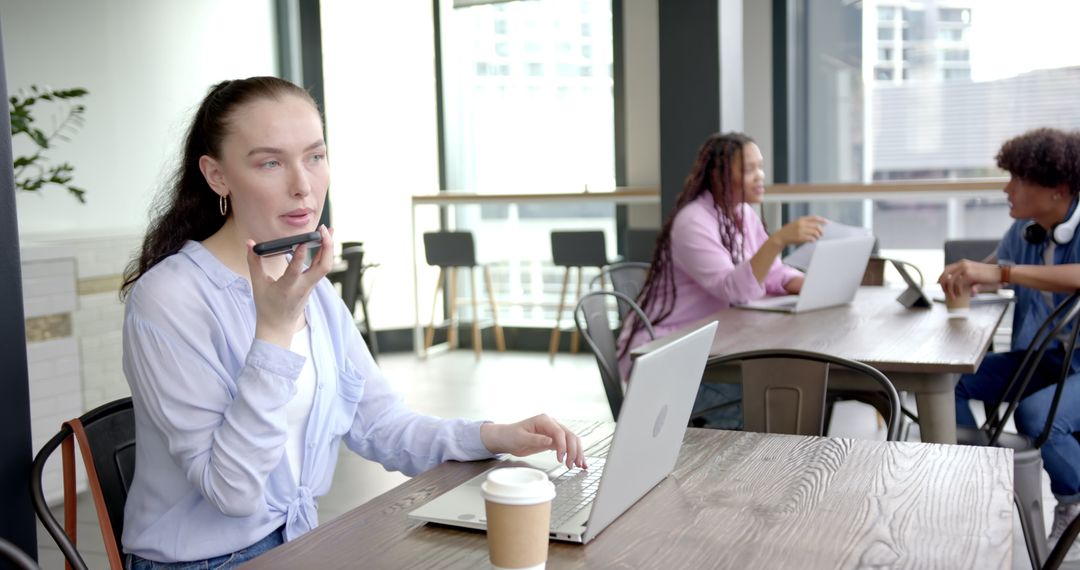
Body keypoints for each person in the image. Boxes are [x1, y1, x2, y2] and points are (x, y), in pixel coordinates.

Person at [117, 76, 586, 568]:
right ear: (217, 176)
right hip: (203, 561)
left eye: (315, 157)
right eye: (271, 162)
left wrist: (493, 436)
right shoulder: (169, 298)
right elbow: (232, 493)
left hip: (298, 542)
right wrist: (274, 332)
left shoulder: (308, 288)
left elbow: (381, 424)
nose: (303, 185)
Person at [615, 132, 824, 428]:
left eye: (760, 167)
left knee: (786, 387)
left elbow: (773, 273)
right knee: (766, 395)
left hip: (708, 348)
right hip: (666, 358)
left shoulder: (742, 214)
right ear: (719, 174)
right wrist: (777, 240)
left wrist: (815, 285)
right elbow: (733, 290)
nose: (759, 176)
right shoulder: (693, 222)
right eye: (748, 169)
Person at [940, 127, 1080, 559]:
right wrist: (966, 278)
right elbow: (988, 271)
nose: (1006, 188)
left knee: (1039, 417)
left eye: (1017, 179)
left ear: (1057, 190)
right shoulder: (1026, 231)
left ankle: (1074, 507)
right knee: (954, 381)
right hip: (1052, 357)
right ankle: (971, 484)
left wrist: (1002, 274)